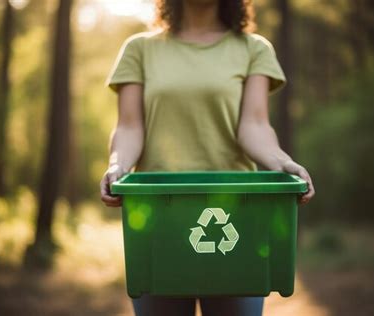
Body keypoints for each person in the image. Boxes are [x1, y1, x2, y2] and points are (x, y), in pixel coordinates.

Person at [100, 0, 315, 315]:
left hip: (237, 215)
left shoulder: (253, 49)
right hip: (159, 217)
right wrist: (117, 165)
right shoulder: (140, 49)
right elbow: (130, 127)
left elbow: (253, 126)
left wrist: (283, 163)